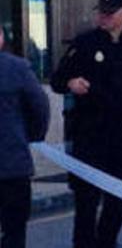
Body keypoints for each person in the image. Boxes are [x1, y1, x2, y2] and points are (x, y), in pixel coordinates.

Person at [50, 0, 122, 248]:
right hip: (89, 134)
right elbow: (57, 80)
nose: (103, 17)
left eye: (109, 14)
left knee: (121, 195)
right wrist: (71, 83)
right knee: (87, 199)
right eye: (100, 12)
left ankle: (107, 241)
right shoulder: (85, 43)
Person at [0, 27, 50, 248]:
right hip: (12, 165)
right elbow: (39, 107)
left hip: (12, 164)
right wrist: (30, 136)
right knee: (14, 232)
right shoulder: (17, 68)